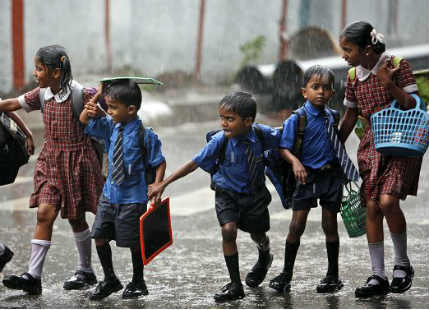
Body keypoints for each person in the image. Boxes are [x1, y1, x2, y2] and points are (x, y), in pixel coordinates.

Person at [149, 91, 281, 302]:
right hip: (226, 194)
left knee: (258, 234)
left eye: (230, 119)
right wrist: (163, 184)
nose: (224, 124)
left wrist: (296, 161)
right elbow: (193, 163)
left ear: (247, 121)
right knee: (228, 231)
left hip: (254, 196)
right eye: (222, 118)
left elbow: (286, 140)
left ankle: (264, 255)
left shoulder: (262, 135)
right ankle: (235, 284)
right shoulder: (220, 141)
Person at [0, 45, 104, 295]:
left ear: (56, 72)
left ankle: (86, 271)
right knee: (44, 213)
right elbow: (13, 103)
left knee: (76, 217)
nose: (35, 73)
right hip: (51, 161)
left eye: (39, 68)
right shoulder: (41, 95)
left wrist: (97, 112)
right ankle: (33, 276)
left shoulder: (83, 94)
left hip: (77, 162)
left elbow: (107, 121)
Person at [338, 21, 421, 298]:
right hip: (371, 145)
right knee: (372, 206)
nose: (343, 55)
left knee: (388, 202)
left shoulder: (397, 64)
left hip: (401, 141)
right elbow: (350, 116)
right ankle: (378, 275)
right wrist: (333, 146)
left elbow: (412, 104)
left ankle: (403, 264)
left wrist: (388, 83)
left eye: (348, 49)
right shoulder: (352, 76)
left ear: (366, 49)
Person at [269, 65, 356, 295]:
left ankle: (332, 275)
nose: (321, 92)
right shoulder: (297, 119)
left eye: (326, 88)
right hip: (306, 176)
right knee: (297, 225)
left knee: (330, 225)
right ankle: (286, 273)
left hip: (329, 177)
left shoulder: (332, 116)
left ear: (332, 93)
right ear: (304, 91)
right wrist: (295, 163)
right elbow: (283, 148)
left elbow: (336, 144)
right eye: (315, 87)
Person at [80, 78, 166, 300]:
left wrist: (157, 185)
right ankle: (110, 279)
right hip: (109, 195)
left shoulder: (145, 135)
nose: (108, 111)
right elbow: (83, 120)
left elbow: (159, 162)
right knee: (98, 235)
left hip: (133, 198)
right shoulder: (110, 126)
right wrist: (97, 96)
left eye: (113, 107)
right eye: (107, 107)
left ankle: (138, 281)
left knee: (134, 243)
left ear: (131, 109)